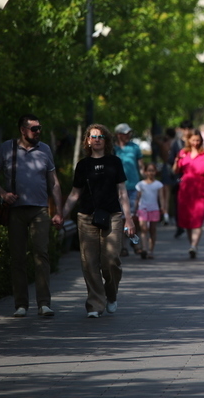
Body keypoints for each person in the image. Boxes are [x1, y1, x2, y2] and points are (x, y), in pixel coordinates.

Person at [0, 114, 64, 317]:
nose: (38, 132)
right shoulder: (7, 148)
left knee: (41, 254)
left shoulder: (44, 149)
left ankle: (44, 303)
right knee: (18, 258)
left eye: (39, 128)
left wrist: (59, 211)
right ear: (22, 129)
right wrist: (3, 194)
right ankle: (21, 304)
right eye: (34, 129)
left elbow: (54, 182)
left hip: (39, 209)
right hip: (16, 210)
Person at [62, 125, 136, 318]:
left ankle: (111, 294)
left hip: (112, 216)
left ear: (106, 140)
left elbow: (122, 192)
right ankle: (95, 304)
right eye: (93, 136)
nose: (97, 139)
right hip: (87, 217)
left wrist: (129, 218)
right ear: (87, 140)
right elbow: (75, 193)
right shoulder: (82, 165)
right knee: (89, 262)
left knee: (111, 260)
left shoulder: (115, 162)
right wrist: (61, 215)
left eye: (101, 136)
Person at [173, 129, 204, 258]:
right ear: (189, 140)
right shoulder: (183, 153)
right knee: (187, 219)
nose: (196, 143)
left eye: (198, 140)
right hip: (185, 188)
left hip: (200, 188)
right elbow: (176, 171)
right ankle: (192, 243)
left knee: (198, 217)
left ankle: (194, 246)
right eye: (193, 140)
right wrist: (176, 161)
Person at [114, 123, 144, 257]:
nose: (128, 135)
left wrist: (145, 182)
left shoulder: (135, 148)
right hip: (118, 188)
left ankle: (135, 242)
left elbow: (141, 166)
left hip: (134, 186)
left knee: (133, 216)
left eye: (129, 133)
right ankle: (123, 246)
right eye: (125, 133)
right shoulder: (113, 149)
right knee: (120, 218)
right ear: (118, 134)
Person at [168, 120, 194, 237]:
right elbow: (170, 160)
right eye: (185, 129)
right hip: (180, 178)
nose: (187, 131)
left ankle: (190, 223)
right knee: (178, 202)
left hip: (192, 178)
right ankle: (180, 225)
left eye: (189, 129)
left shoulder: (195, 142)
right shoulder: (177, 143)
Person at [134, 163, 165, 259]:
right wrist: (134, 209)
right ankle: (144, 249)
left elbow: (161, 197)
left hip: (154, 209)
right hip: (142, 208)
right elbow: (137, 198)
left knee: (152, 230)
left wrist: (163, 207)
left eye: (153, 170)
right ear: (145, 172)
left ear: (155, 172)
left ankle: (151, 251)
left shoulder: (158, 184)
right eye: (149, 170)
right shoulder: (140, 184)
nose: (151, 173)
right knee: (143, 229)